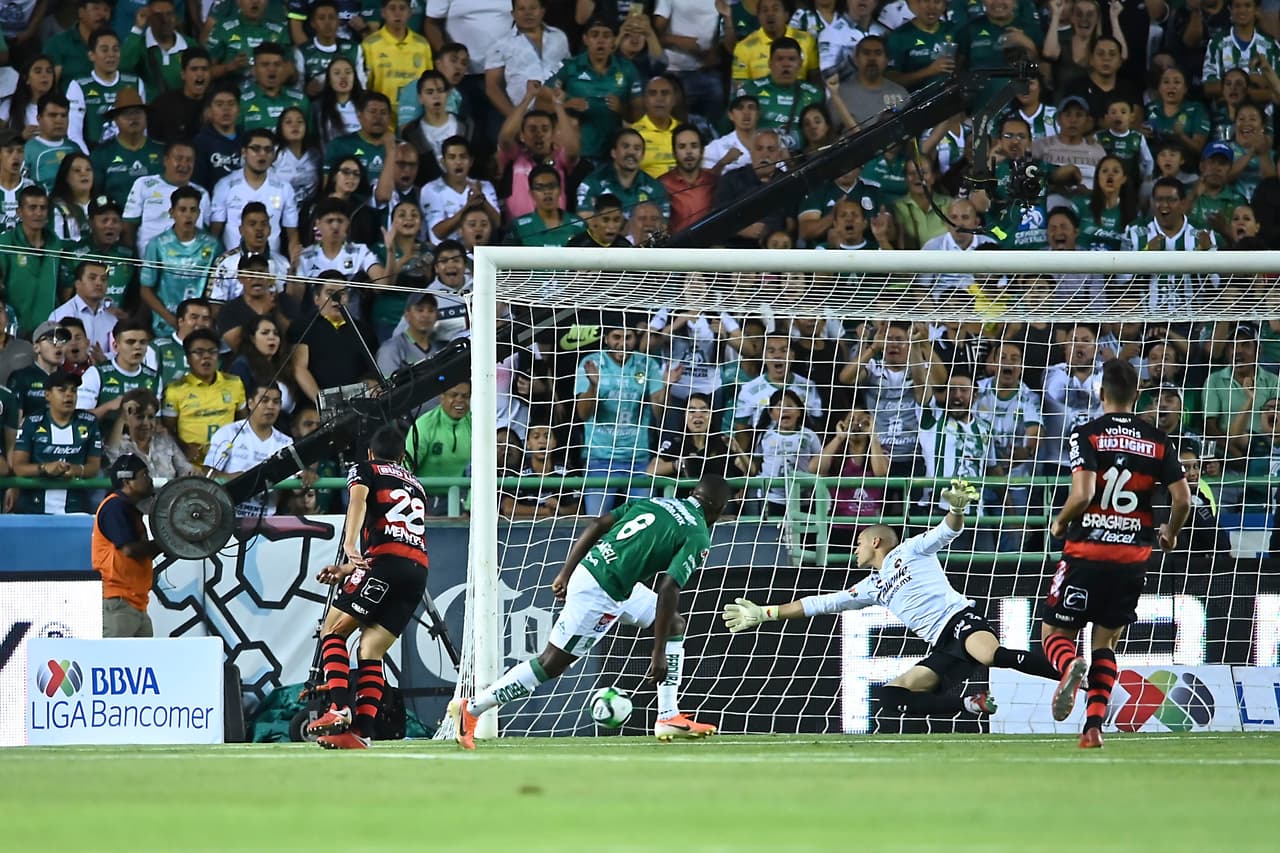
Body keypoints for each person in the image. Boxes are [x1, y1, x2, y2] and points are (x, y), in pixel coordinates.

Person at [723, 479, 1063, 720]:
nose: (854, 549)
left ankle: (1067, 672)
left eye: (858, 542)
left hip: (960, 622)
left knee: (992, 656)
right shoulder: (871, 587)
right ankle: (971, 705)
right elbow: (821, 603)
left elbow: (948, 531)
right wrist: (767, 613)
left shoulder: (910, 550)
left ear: (875, 543)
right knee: (891, 695)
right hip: (943, 647)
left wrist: (956, 508)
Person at [448, 473, 734, 749]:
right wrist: (658, 652)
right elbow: (669, 589)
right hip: (600, 592)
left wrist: (566, 572)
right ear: (718, 510)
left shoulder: (656, 502)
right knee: (550, 664)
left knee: (673, 624)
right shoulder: (697, 533)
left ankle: (668, 716)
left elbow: (599, 523)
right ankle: (472, 708)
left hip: (600, 573)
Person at [1039, 358, 1191, 749]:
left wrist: (1059, 523)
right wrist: (1169, 533)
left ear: (1101, 392)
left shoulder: (1086, 434)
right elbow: (1182, 499)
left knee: (1055, 633)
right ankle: (1093, 728)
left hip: (1087, 551)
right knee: (1105, 643)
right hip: (1132, 556)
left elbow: (1084, 494)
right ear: (1137, 395)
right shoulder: (1157, 439)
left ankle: (1068, 664)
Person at [306, 424, 430, 750]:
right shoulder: (416, 484)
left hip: (385, 564)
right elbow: (398, 532)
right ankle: (360, 732)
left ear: (371, 453)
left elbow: (358, 503)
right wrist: (348, 570)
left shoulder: (364, 469)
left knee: (332, 631)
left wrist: (350, 545)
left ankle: (339, 706)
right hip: (417, 571)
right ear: (402, 456)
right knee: (371, 650)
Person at [9, 369, 104, 515]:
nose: (69, 395)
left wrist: (76, 470)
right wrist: (44, 469)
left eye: (73, 390)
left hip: (76, 510)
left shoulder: (89, 422)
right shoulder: (31, 422)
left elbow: (94, 466)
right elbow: (19, 467)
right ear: (47, 395)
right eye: (62, 390)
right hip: (34, 509)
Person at [93, 454, 162, 638]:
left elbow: (143, 553)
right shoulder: (114, 507)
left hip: (136, 603)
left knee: (143, 664)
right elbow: (130, 550)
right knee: (111, 661)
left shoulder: (130, 510)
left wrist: (164, 545)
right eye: (144, 475)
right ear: (127, 480)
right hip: (118, 602)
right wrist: (165, 542)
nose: (150, 480)